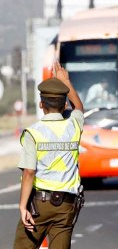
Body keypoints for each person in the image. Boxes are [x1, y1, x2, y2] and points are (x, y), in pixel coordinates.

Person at [13, 61, 84, 249]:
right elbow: (79, 107)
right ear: (64, 104)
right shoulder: (74, 126)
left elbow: (29, 172)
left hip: (39, 205)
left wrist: (22, 206)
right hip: (67, 204)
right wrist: (66, 82)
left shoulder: (33, 133)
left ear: (41, 104)